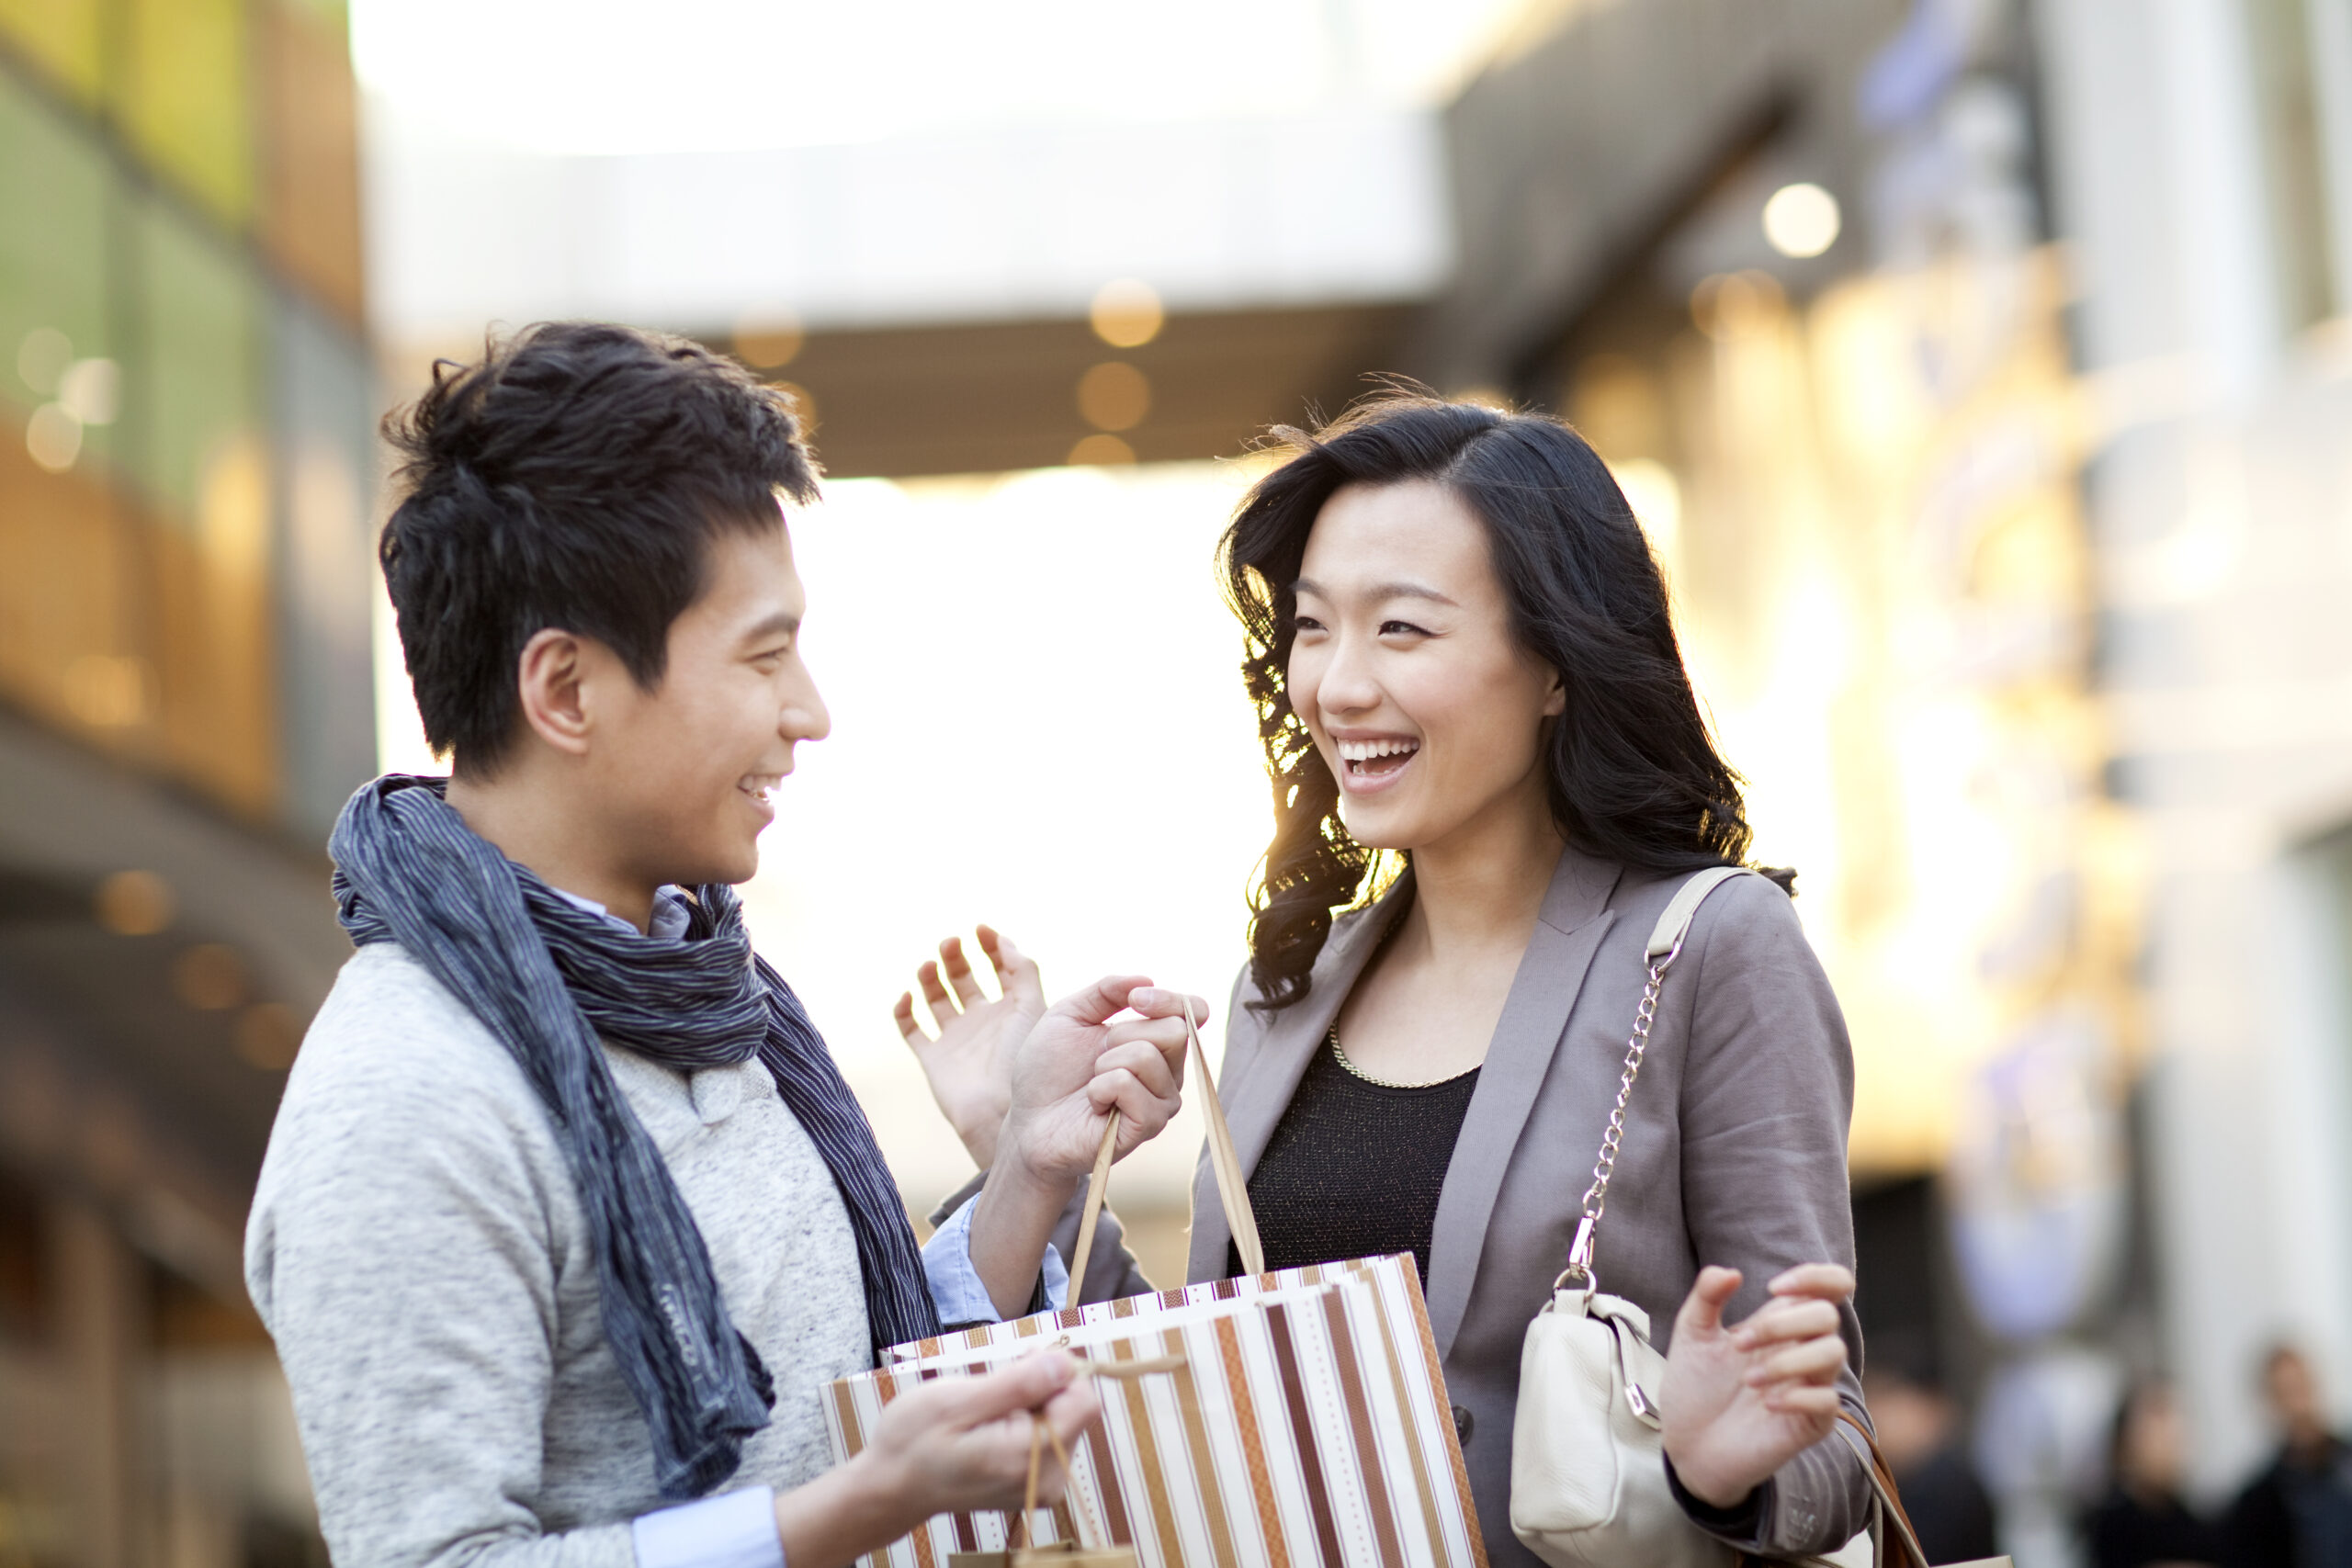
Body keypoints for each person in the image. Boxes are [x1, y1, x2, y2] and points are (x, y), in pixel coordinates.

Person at [244, 323, 1212, 1568]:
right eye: (764, 653)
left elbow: (837, 1399)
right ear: (566, 691)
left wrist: (1028, 1160)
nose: (810, 711)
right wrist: (847, 1513)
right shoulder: (406, 1093)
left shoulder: (703, 991)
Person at [900, 395, 1874, 1563]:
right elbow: (1191, 1379)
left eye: (1402, 630)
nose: (1338, 687)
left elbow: (1836, 1446)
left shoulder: (1710, 946)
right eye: (1313, 628)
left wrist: (1718, 1472)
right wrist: (1022, 1150)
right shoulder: (1289, 983)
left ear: (1556, 664)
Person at [1860, 1352, 2000, 1563]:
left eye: (1887, 1399)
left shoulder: (1949, 1485)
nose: (1874, 1415)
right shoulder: (1897, 1482)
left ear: (1929, 1407)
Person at [2225, 1345, 2352, 1568]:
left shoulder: (2345, 1462)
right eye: (2285, 1392)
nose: (2297, 1404)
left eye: (2300, 1387)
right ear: (2270, 1403)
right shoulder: (2258, 1505)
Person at [2086, 1380, 2222, 1568]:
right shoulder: (2109, 1526)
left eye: (2173, 1431)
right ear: (2125, 1443)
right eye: (2154, 1431)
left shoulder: (2200, 1525)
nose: (2167, 1443)